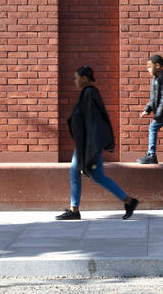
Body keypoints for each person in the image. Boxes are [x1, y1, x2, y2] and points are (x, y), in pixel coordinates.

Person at [56, 66, 138, 221]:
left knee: (91, 174)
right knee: (84, 173)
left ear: (85, 78)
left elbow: (92, 124)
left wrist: (89, 152)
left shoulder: (89, 94)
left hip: (89, 145)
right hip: (86, 144)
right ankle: (75, 209)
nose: (75, 81)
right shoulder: (88, 94)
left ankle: (128, 201)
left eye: (76, 78)